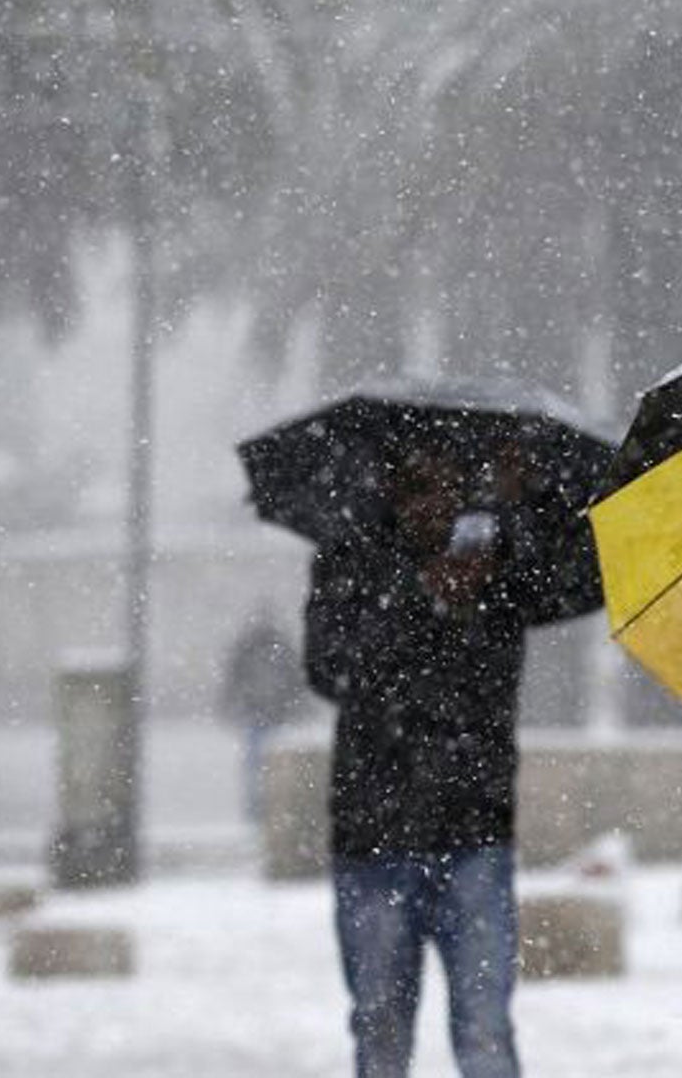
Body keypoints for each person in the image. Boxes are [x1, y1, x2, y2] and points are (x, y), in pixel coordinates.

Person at [305, 429, 590, 1078]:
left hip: (474, 836)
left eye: (445, 481)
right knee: (379, 1033)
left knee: (486, 1032)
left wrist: (531, 498)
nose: (431, 500)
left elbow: (582, 574)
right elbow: (328, 667)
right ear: (389, 486)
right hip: (373, 839)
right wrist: (419, 596)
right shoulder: (352, 559)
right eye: (414, 482)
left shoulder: (501, 560)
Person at [218, 601, 305, 822]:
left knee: (258, 766)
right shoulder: (277, 647)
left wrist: (230, 704)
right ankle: (269, 810)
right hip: (270, 714)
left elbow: (234, 680)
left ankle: (260, 810)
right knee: (271, 766)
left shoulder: (250, 647)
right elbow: (294, 682)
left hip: (260, 713)